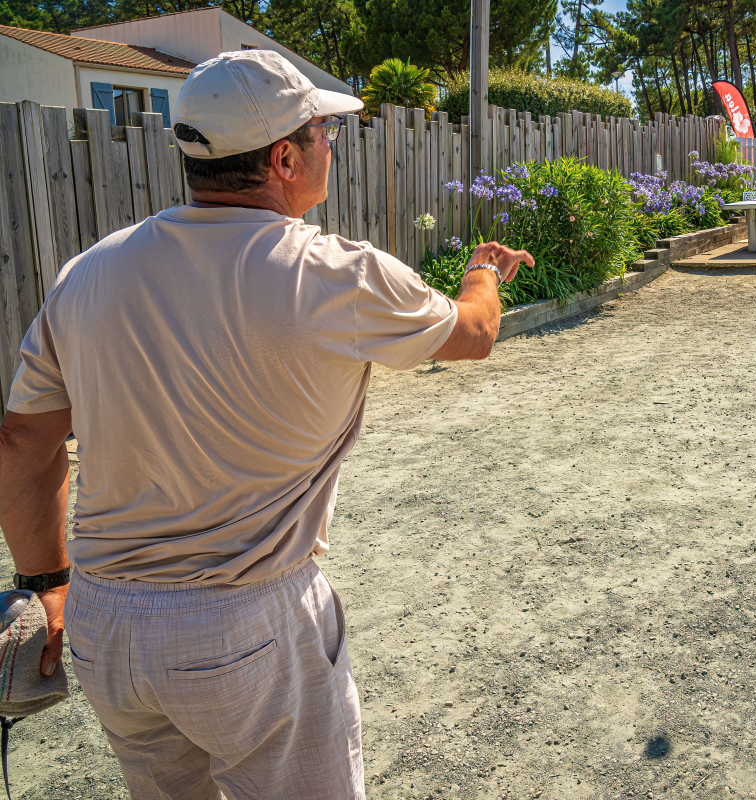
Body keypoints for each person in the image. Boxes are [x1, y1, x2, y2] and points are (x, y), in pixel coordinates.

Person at [0, 49, 532, 800]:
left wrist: (46, 585)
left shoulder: (88, 272)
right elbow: (473, 335)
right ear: (285, 158)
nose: (331, 146)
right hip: (244, 622)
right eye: (324, 133)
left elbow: (24, 440)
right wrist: (482, 272)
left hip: (105, 622)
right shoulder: (335, 275)